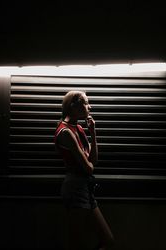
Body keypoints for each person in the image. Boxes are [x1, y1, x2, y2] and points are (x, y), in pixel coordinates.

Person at [54, 90, 115, 250]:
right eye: (86, 103)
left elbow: (93, 161)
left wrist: (93, 132)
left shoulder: (79, 129)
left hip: (85, 188)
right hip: (75, 188)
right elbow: (88, 168)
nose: (90, 106)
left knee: (107, 239)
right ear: (74, 106)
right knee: (76, 243)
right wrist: (89, 166)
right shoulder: (65, 132)